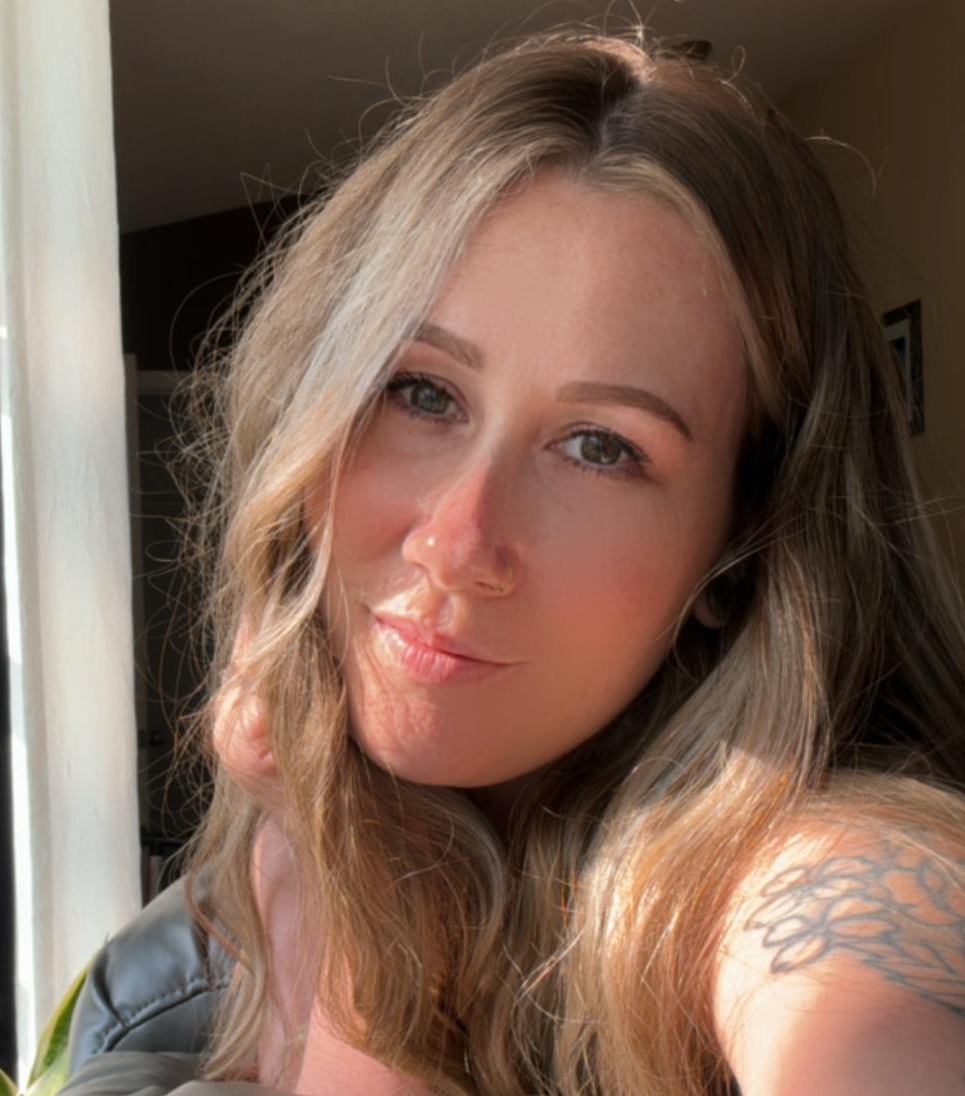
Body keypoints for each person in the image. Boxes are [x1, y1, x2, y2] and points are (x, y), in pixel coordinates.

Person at [121, 29, 965, 1096]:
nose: (457, 542)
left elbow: (869, 1006)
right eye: (421, 392)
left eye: (601, 447)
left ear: (742, 544)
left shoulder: (822, 869)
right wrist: (331, 855)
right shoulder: (255, 861)